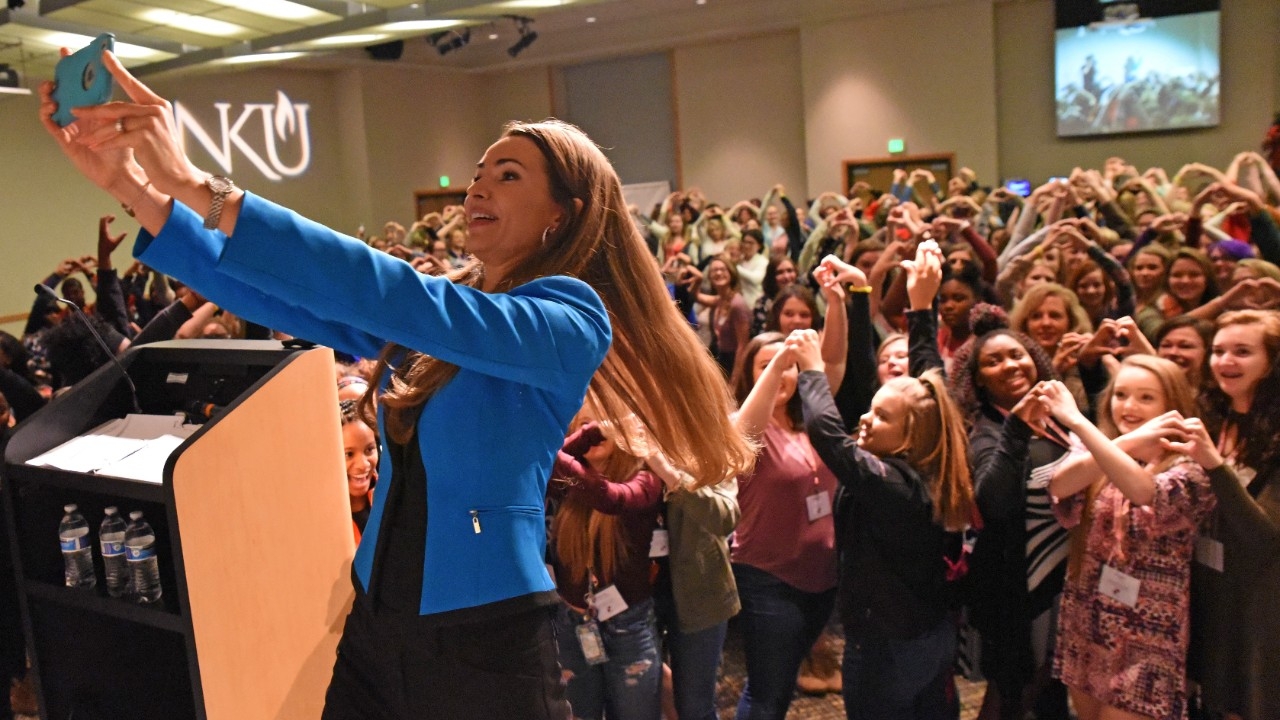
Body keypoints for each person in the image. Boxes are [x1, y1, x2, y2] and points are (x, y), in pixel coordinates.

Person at [40, 51, 754, 719]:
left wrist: (200, 185)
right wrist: (131, 186)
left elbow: (398, 295)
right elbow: (283, 300)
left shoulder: (568, 318)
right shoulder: (453, 315)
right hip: (377, 620)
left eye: (509, 174)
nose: (479, 184)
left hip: (484, 639)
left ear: (561, 215)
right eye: (480, 170)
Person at [795, 242, 976, 719]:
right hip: (929, 632)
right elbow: (928, 378)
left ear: (909, 435)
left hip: (887, 645)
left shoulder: (892, 484)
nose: (866, 421)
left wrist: (811, 371)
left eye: (881, 417)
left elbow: (826, 434)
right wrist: (916, 305)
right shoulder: (936, 453)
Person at [1041, 355, 1214, 720]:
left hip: (1147, 635)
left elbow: (1145, 492)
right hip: (1087, 619)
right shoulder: (1102, 452)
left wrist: (1077, 421)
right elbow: (1060, 484)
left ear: (1172, 405)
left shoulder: (1191, 467)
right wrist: (1129, 440)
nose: (1129, 406)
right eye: (1121, 394)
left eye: (1146, 397)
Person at [728, 331, 840, 720]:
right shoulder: (741, 423)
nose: (781, 374)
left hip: (822, 578)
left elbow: (836, 365)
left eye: (790, 367)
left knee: (781, 681)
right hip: (768, 579)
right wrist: (779, 363)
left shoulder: (812, 421)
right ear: (751, 375)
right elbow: (746, 434)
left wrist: (841, 298)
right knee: (768, 693)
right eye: (767, 366)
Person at [1186, 310, 1280, 720]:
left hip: (1261, 598)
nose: (1226, 362)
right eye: (1219, 351)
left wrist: (1214, 465)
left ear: (1273, 362)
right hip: (1211, 584)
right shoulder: (1213, 415)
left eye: (1242, 352)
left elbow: (1263, 536)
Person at [548, 411, 664, 720]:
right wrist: (589, 434)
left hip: (630, 625)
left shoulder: (646, 478)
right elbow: (542, 467)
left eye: (602, 421)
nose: (592, 431)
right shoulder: (561, 481)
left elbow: (612, 498)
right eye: (583, 422)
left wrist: (578, 440)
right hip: (572, 626)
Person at [339, 399, 378, 544]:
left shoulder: (392, 497)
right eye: (348, 454)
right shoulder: (323, 516)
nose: (363, 464)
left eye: (369, 450)